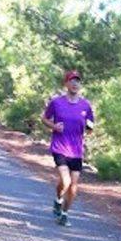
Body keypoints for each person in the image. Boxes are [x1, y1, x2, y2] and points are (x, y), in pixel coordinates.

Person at [41, 70, 94, 227]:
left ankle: (64, 213)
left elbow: (90, 126)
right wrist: (54, 126)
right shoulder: (57, 102)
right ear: (66, 84)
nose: (75, 83)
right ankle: (58, 199)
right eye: (72, 80)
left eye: (77, 81)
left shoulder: (86, 105)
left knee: (74, 185)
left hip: (76, 150)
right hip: (60, 147)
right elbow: (44, 118)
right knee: (66, 181)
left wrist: (90, 127)